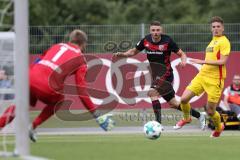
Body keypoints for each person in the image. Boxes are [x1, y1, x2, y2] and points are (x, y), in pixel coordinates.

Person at [0, 29, 115, 142]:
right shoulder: (81, 59)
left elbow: (38, 61)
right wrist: (96, 114)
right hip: (46, 85)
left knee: (18, 106)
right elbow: (81, 91)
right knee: (60, 100)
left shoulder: (57, 46)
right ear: (83, 44)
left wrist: (29, 77)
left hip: (29, 76)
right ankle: (33, 126)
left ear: (71, 40)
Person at [114, 21, 206, 129]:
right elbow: (133, 52)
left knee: (152, 93)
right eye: (153, 30)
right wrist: (123, 54)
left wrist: (183, 61)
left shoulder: (167, 41)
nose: (155, 32)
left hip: (166, 73)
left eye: (158, 30)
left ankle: (158, 124)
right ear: (150, 31)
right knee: (174, 104)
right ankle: (200, 116)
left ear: (161, 30)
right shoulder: (146, 40)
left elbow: (182, 54)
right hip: (156, 75)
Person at [175, 16, 231, 137]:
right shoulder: (212, 41)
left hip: (215, 80)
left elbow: (222, 62)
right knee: (183, 100)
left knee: (210, 111)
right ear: (211, 29)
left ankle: (218, 127)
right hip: (202, 76)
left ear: (223, 28)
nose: (216, 29)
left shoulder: (224, 41)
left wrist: (202, 62)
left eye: (218, 27)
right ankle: (187, 118)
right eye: (213, 27)